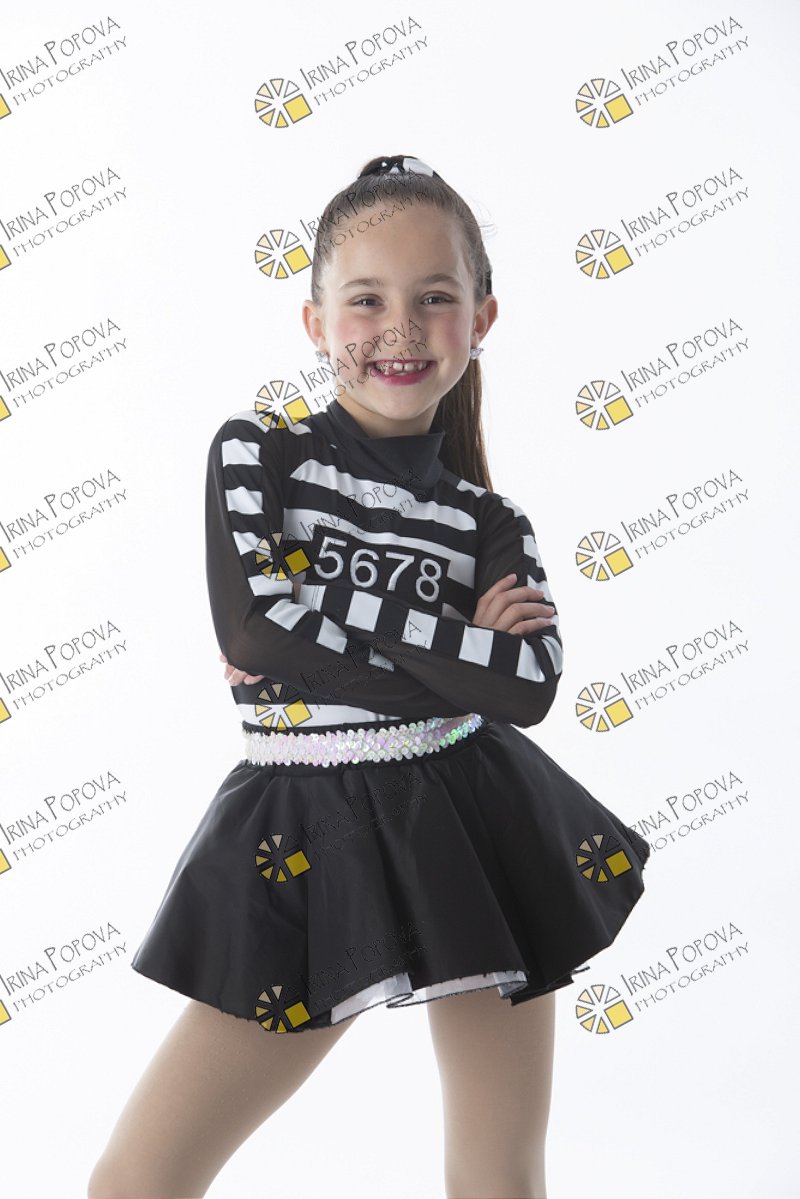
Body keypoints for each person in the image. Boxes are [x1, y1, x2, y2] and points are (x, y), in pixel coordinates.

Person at [88, 155, 651, 1199]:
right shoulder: (257, 456)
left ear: (481, 319)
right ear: (314, 322)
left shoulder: (490, 522)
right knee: (142, 1178)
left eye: (434, 297)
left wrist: (327, 614)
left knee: (498, 1175)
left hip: (482, 824)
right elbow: (258, 631)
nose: (400, 326)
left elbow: (526, 687)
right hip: (305, 827)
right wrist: (456, 653)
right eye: (365, 299)